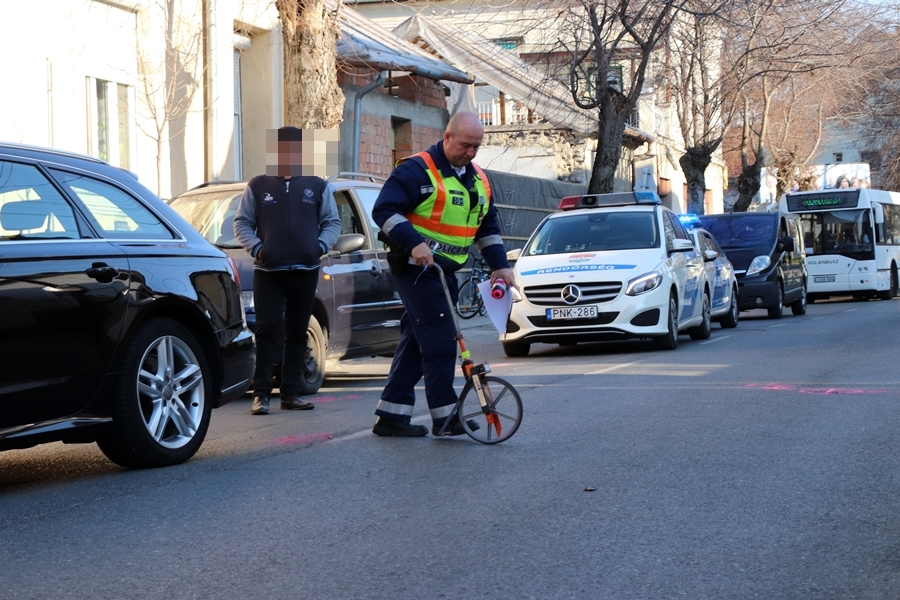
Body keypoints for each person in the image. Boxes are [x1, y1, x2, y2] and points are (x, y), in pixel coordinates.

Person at [371, 111, 515, 437]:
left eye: (476, 147)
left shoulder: (479, 179)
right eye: (465, 145)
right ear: (447, 137)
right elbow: (383, 210)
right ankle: (446, 417)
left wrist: (499, 266)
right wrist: (413, 244)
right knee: (439, 337)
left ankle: (391, 415)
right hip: (416, 268)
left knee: (416, 340)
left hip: (444, 271)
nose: (471, 152)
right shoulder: (417, 170)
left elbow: (487, 227)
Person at [234, 126, 342, 415]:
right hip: (269, 273)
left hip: (306, 270)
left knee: (297, 332)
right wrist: (258, 249)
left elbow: (332, 222)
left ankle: (290, 395)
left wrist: (319, 246)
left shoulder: (317, 185)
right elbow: (242, 223)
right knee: (268, 331)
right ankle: (262, 396)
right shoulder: (258, 185)